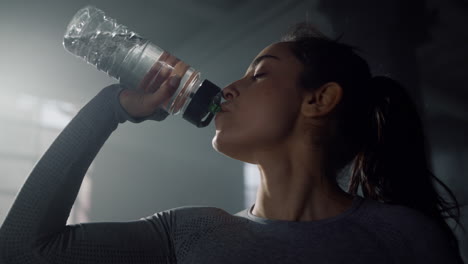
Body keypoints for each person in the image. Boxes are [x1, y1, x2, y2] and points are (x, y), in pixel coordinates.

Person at [0, 22, 464, 264]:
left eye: (260, 74)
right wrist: (111, 107)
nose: (229, 89)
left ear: (319, 100)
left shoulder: (404, 237)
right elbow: (22, 252)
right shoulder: (190, 234)